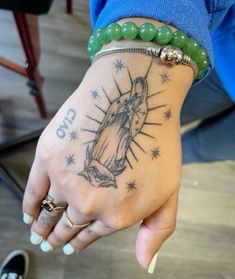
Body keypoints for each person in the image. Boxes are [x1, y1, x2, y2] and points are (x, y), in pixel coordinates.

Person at [21, 0, 235, 275]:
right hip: (221, 50)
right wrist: (148, 49)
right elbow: (114, 111)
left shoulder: (140, 105)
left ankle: (175, 166)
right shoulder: (128, 100)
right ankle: (173, 162)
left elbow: (136, 122)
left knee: (202, 150)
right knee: (183, 141)